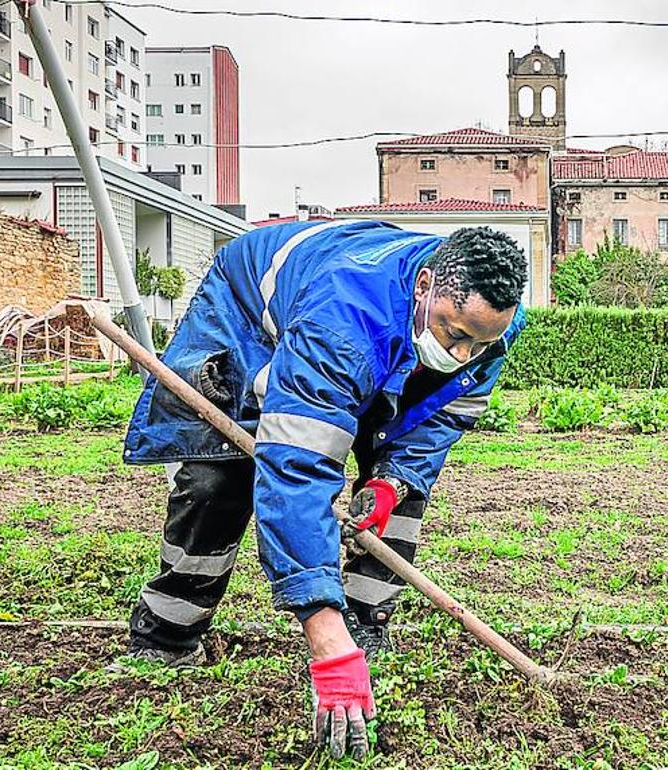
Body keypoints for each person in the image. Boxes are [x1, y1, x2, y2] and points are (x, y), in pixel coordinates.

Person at [117, 220, 527, 758]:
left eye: (482, 341)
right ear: (424, 286)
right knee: (220, 477)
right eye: (454, 335)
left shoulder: (490, 321)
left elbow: (441, 419)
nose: (465, 353)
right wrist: (324, 637)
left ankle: (367, 620)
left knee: (399, 491)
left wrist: (392, 481)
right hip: (249, 317)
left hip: (373, 326)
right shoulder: (340, 321)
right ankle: (169, 630)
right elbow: (298, 468)